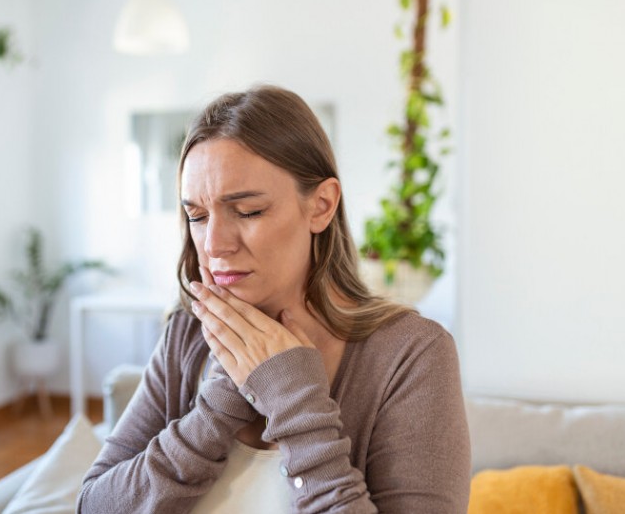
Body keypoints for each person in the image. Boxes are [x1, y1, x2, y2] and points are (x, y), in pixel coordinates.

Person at [77, 85, 470, 513]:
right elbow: (94, 506)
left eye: (247, 211)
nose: (214, 244)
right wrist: (217, 410)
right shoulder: (188, 334)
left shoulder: (411, 355)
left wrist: (296, 404)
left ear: (321, 205)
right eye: (197, 216)